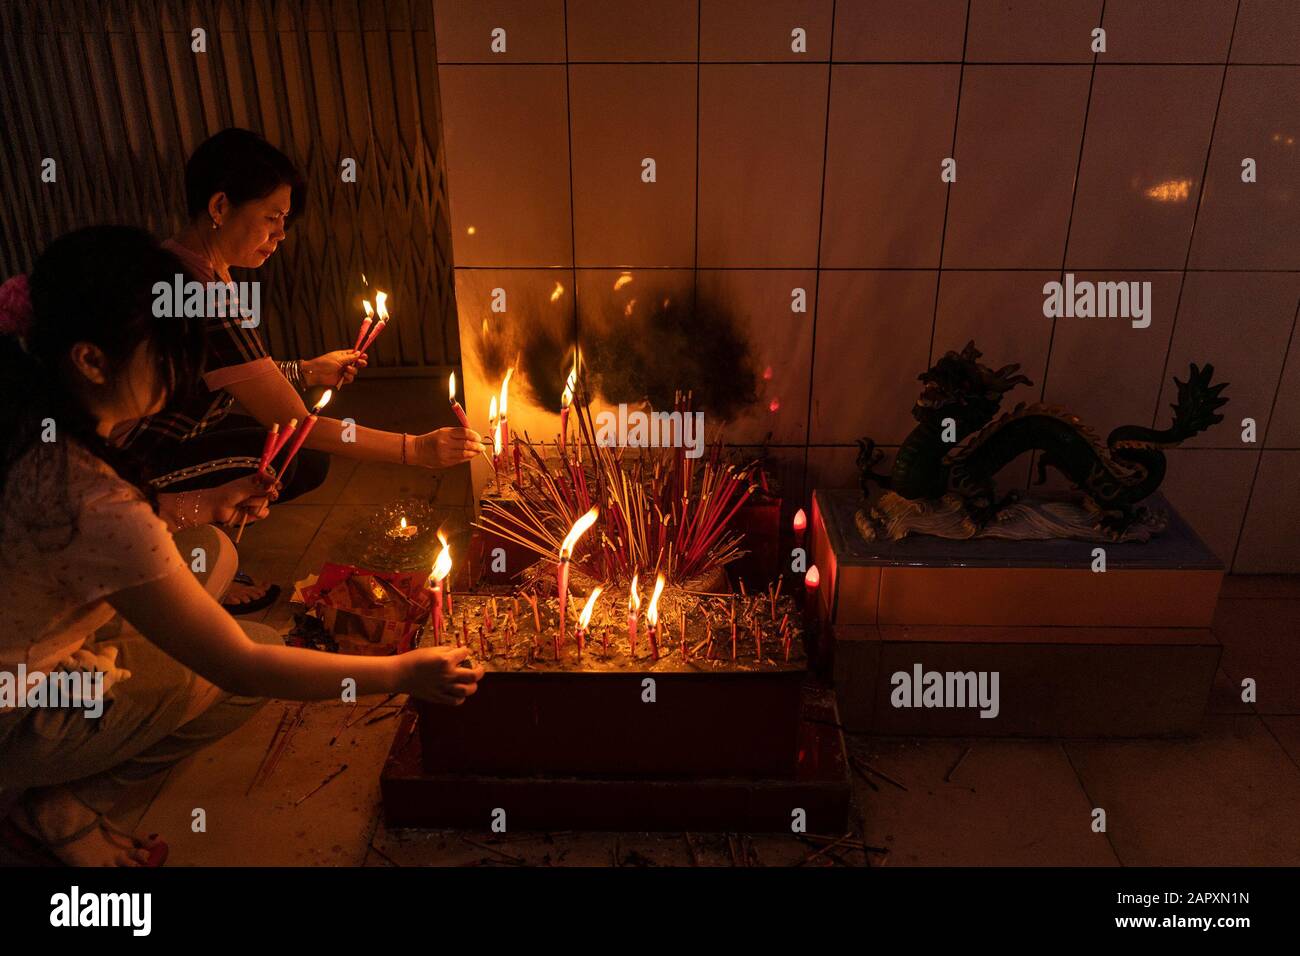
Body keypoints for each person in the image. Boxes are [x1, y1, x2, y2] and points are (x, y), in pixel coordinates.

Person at [0, 227, 483, 867]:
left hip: (33, 638)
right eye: (168, 347)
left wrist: (214, 500)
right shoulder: (87, 495)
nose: (187, 367)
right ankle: (57, 803)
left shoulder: (36, 428)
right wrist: (401, 673)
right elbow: (238, 665)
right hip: (20, 705)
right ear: (92, 361)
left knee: (212, 550)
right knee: (254, 657)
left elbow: (100, 543)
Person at [118, 128, 480, 613]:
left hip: (155, 441)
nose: (281, 235)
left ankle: (187, 543)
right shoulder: (200, 290)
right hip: (126, 462)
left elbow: (232, 371)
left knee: (295, 459)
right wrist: (415, 450)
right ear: (220, 206)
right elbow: (297, 427)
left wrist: (307, 370)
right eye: (271, 218)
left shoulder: (182, 264)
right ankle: (176, 552)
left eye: (285, 220)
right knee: (289, 456)